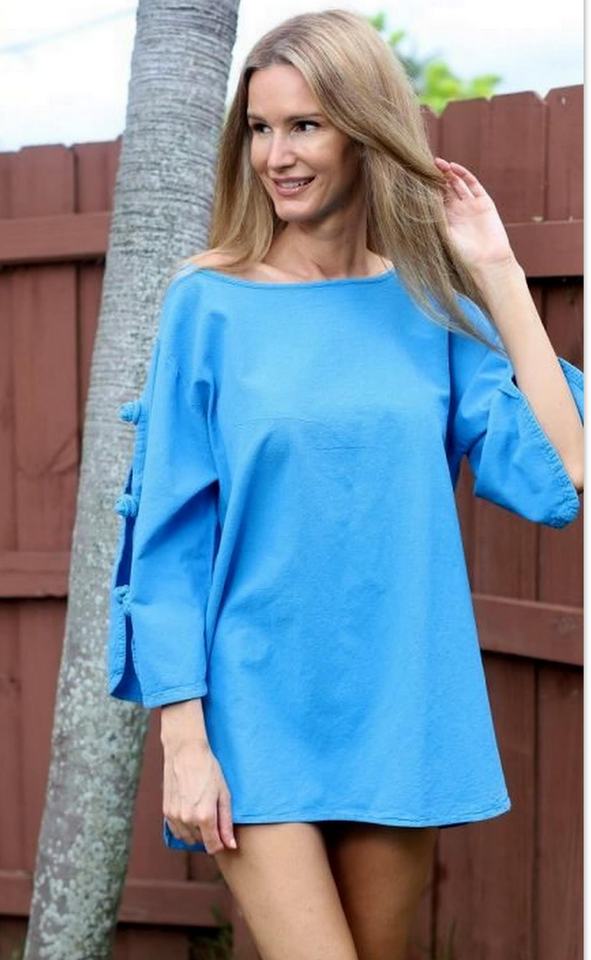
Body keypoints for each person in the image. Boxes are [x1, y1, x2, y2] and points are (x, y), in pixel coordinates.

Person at [107, 9, 584, 960]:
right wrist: (183, 740)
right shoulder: (208, 304)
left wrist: (495, 272)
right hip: (252, 706)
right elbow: (167, 540)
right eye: (259, 128)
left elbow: (562, 470)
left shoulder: (430, 309)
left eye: (304, 126)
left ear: (365, 133)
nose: (275, 156)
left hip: (398, 700)